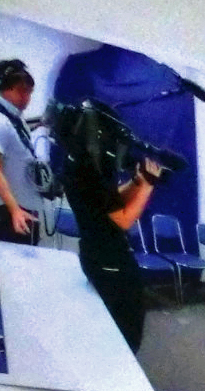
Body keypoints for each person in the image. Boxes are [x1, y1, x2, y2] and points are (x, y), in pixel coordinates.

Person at [59, 118, 162, 354]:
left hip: (96, 255)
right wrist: (148, 186)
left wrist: (137, 181)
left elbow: (110, 202)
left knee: (109, 320)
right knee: (126, 324)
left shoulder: (80, 165)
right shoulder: (92, 174)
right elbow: (124, 220)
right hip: (110, 262)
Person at [0, 58, 42, 302]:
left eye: (29, 92)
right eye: (21, 91)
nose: (27, 98)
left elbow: (15, 142)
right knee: (8, 274)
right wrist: (15, 210)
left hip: (21, 208)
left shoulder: (12, 116)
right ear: (3, 88)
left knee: (20, 273)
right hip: (7, 212)